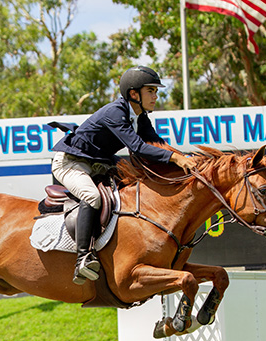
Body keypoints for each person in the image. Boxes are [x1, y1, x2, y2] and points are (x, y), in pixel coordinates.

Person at [52, 65, 196, 285]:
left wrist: (183, 158)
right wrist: (176, 159)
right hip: (71, 163)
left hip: (98, 165)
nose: (155, 96)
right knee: (92, 197)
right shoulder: (115, 113)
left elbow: (157, 144)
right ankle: (83, 258)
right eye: (151, 91)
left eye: (156, 91)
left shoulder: (141, 117)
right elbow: (138, 147)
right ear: (133, 93)